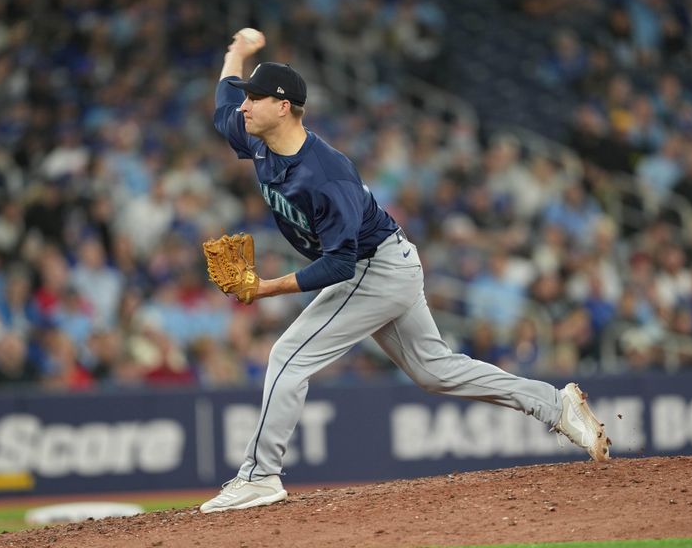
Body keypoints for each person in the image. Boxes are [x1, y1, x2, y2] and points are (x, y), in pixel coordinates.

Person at [199, 29, 611, 514]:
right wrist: (237, 53)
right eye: (247, 98)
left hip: (373, 271)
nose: (245, 106)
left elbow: (339, 263)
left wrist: (265, 288)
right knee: (435, 371)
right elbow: (222, 104)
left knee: (289, 357)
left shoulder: (326, 175)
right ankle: (554, 405)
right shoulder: (256, 136)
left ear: (284, 107)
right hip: (388, 264)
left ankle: (260, 475)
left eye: (257, 98)